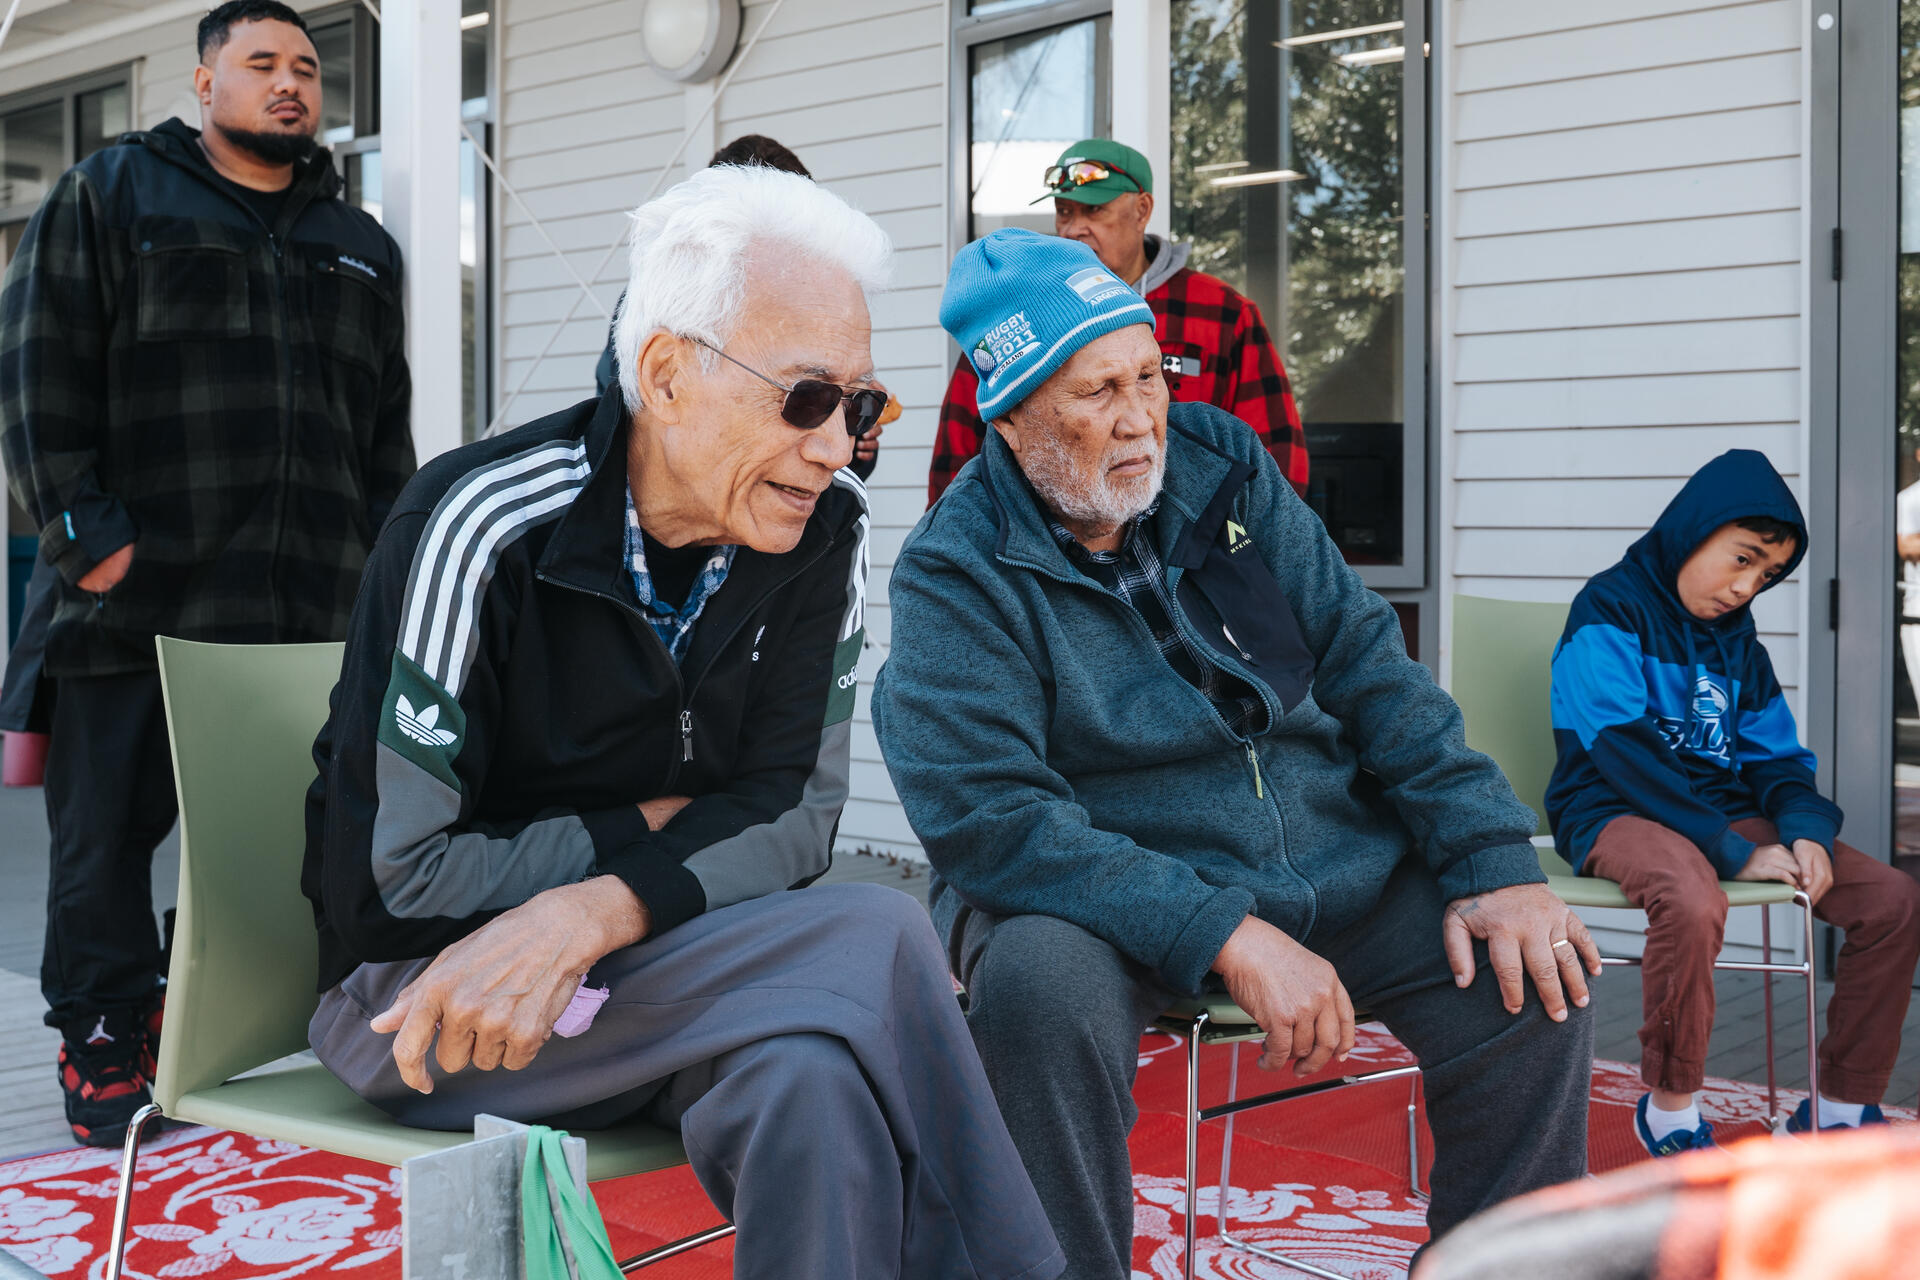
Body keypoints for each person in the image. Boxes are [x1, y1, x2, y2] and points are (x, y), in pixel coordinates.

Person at [303, 167, 1063, 1280]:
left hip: (666, 969)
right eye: (806, 398)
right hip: (435, 1001)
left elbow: (793, 819)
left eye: (862, 408)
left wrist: (589, 910)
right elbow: (390, 883)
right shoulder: (479, 524)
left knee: (809, 1077)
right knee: (885, 932)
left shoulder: (820, 534)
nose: (838, 447)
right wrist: (634, 847)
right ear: (665, 375)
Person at [873, 228, 1599, 1279]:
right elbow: (994, 822)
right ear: (1016, 414)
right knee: (1036, 987)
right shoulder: (954, 569)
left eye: (1145, 377)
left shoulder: (1219, 462)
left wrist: (1497, 861)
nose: (1137, 420)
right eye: (1093, 394)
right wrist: (1228, 932)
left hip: (1326, 848)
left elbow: (1366, 663)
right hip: (1110, 887)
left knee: (1532, 979)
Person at [0, 0, 415, 1148]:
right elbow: (35, 372)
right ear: (204, 81)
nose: (290, 83)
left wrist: (389, 572)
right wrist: (91, 538)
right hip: (137, 603)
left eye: (307, 67)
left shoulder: (361, 245)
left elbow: (386, 431)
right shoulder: (112, 196)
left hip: (303, 613)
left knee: (284, 843)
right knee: (103, 846)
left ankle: (201, 1008)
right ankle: (101, 1037)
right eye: (261, 63)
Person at [1547, 449, 1920, 1155]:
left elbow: (1776, 756)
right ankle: (1671, 1110)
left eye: (1767, 575)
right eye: (1741, 559)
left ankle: (1838, 1112)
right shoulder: (1607, 608)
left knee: (1892, 898)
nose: (1747, 587)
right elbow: (1623, 752)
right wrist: (1731, 849)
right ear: (1694, 530)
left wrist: (1806, 829)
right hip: (1614, 808)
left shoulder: (1737, 642)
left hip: (1724, 812)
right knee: (1692, 897)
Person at [926, 140, 1307, 506]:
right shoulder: (1018, 313)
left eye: (1094, 211)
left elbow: (1277, 457)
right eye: (1064, 211)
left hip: (1200, 554)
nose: (1073, 228)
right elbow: (957, 453)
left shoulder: (1223, 312)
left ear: (1141, 210)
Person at [591, 134, 891, 479]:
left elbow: (833, 458)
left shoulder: (819, 304)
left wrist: (854, 426)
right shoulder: (659, 306)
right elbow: (618, 408)